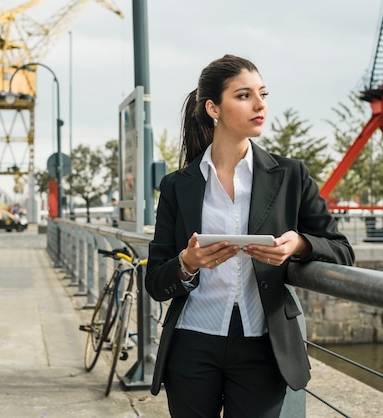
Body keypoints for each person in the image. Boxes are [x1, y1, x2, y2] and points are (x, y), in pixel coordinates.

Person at [144, 54, 355, 418]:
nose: (260, 105)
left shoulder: (290, 175)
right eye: (244, 96)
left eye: (263, 93)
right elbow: (155, 281)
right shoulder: (179, 186)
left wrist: (299, 244)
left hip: (264, 345)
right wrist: (187, 263)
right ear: (213, 108)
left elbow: (342, 251)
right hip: (192, 342)